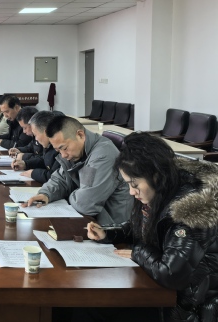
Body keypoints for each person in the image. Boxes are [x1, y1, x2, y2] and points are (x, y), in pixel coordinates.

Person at [83, 132, 218, 322]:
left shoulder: (192, 209)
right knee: (90, 305)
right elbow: (141, 228)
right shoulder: (162, 190)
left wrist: (137, 252)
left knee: (95, 308)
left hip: (185, 307)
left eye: (134, 184)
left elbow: (171, 274)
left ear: (155, 175)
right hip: (162, 292)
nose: (131, 192)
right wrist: (108, 233)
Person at [23, 116, 132, 225]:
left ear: (80, 135)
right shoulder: (76, 153)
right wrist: (45, 194)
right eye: (58, 150)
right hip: (90, 221)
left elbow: (85, 204)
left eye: (64, 148)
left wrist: (70, 193)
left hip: (111, 227)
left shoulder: (102, 156)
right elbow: (60, 178)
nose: (63, 155)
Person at [12, 110, 60, 184]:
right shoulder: (48, 145)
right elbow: (44, 160)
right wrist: (25, 164)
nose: (36, 139)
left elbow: (54, 177)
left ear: (46, 132)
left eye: (36, 135)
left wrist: (33, 173)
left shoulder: (60, 149)